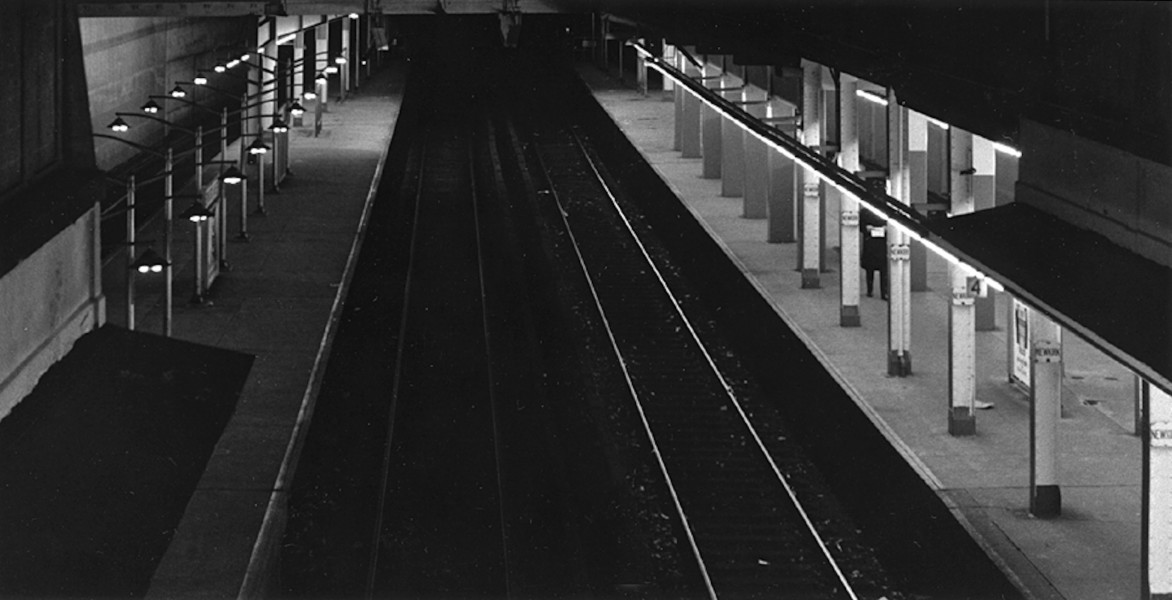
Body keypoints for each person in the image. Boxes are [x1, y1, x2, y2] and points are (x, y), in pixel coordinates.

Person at [860, 210, 888, 300]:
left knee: (882, 269)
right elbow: (861, 225)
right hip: (874, 243)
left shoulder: (865, 212)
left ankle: (882, 291)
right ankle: (872, 290)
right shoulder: (866, 212)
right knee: (871, 268)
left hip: (875, 242)